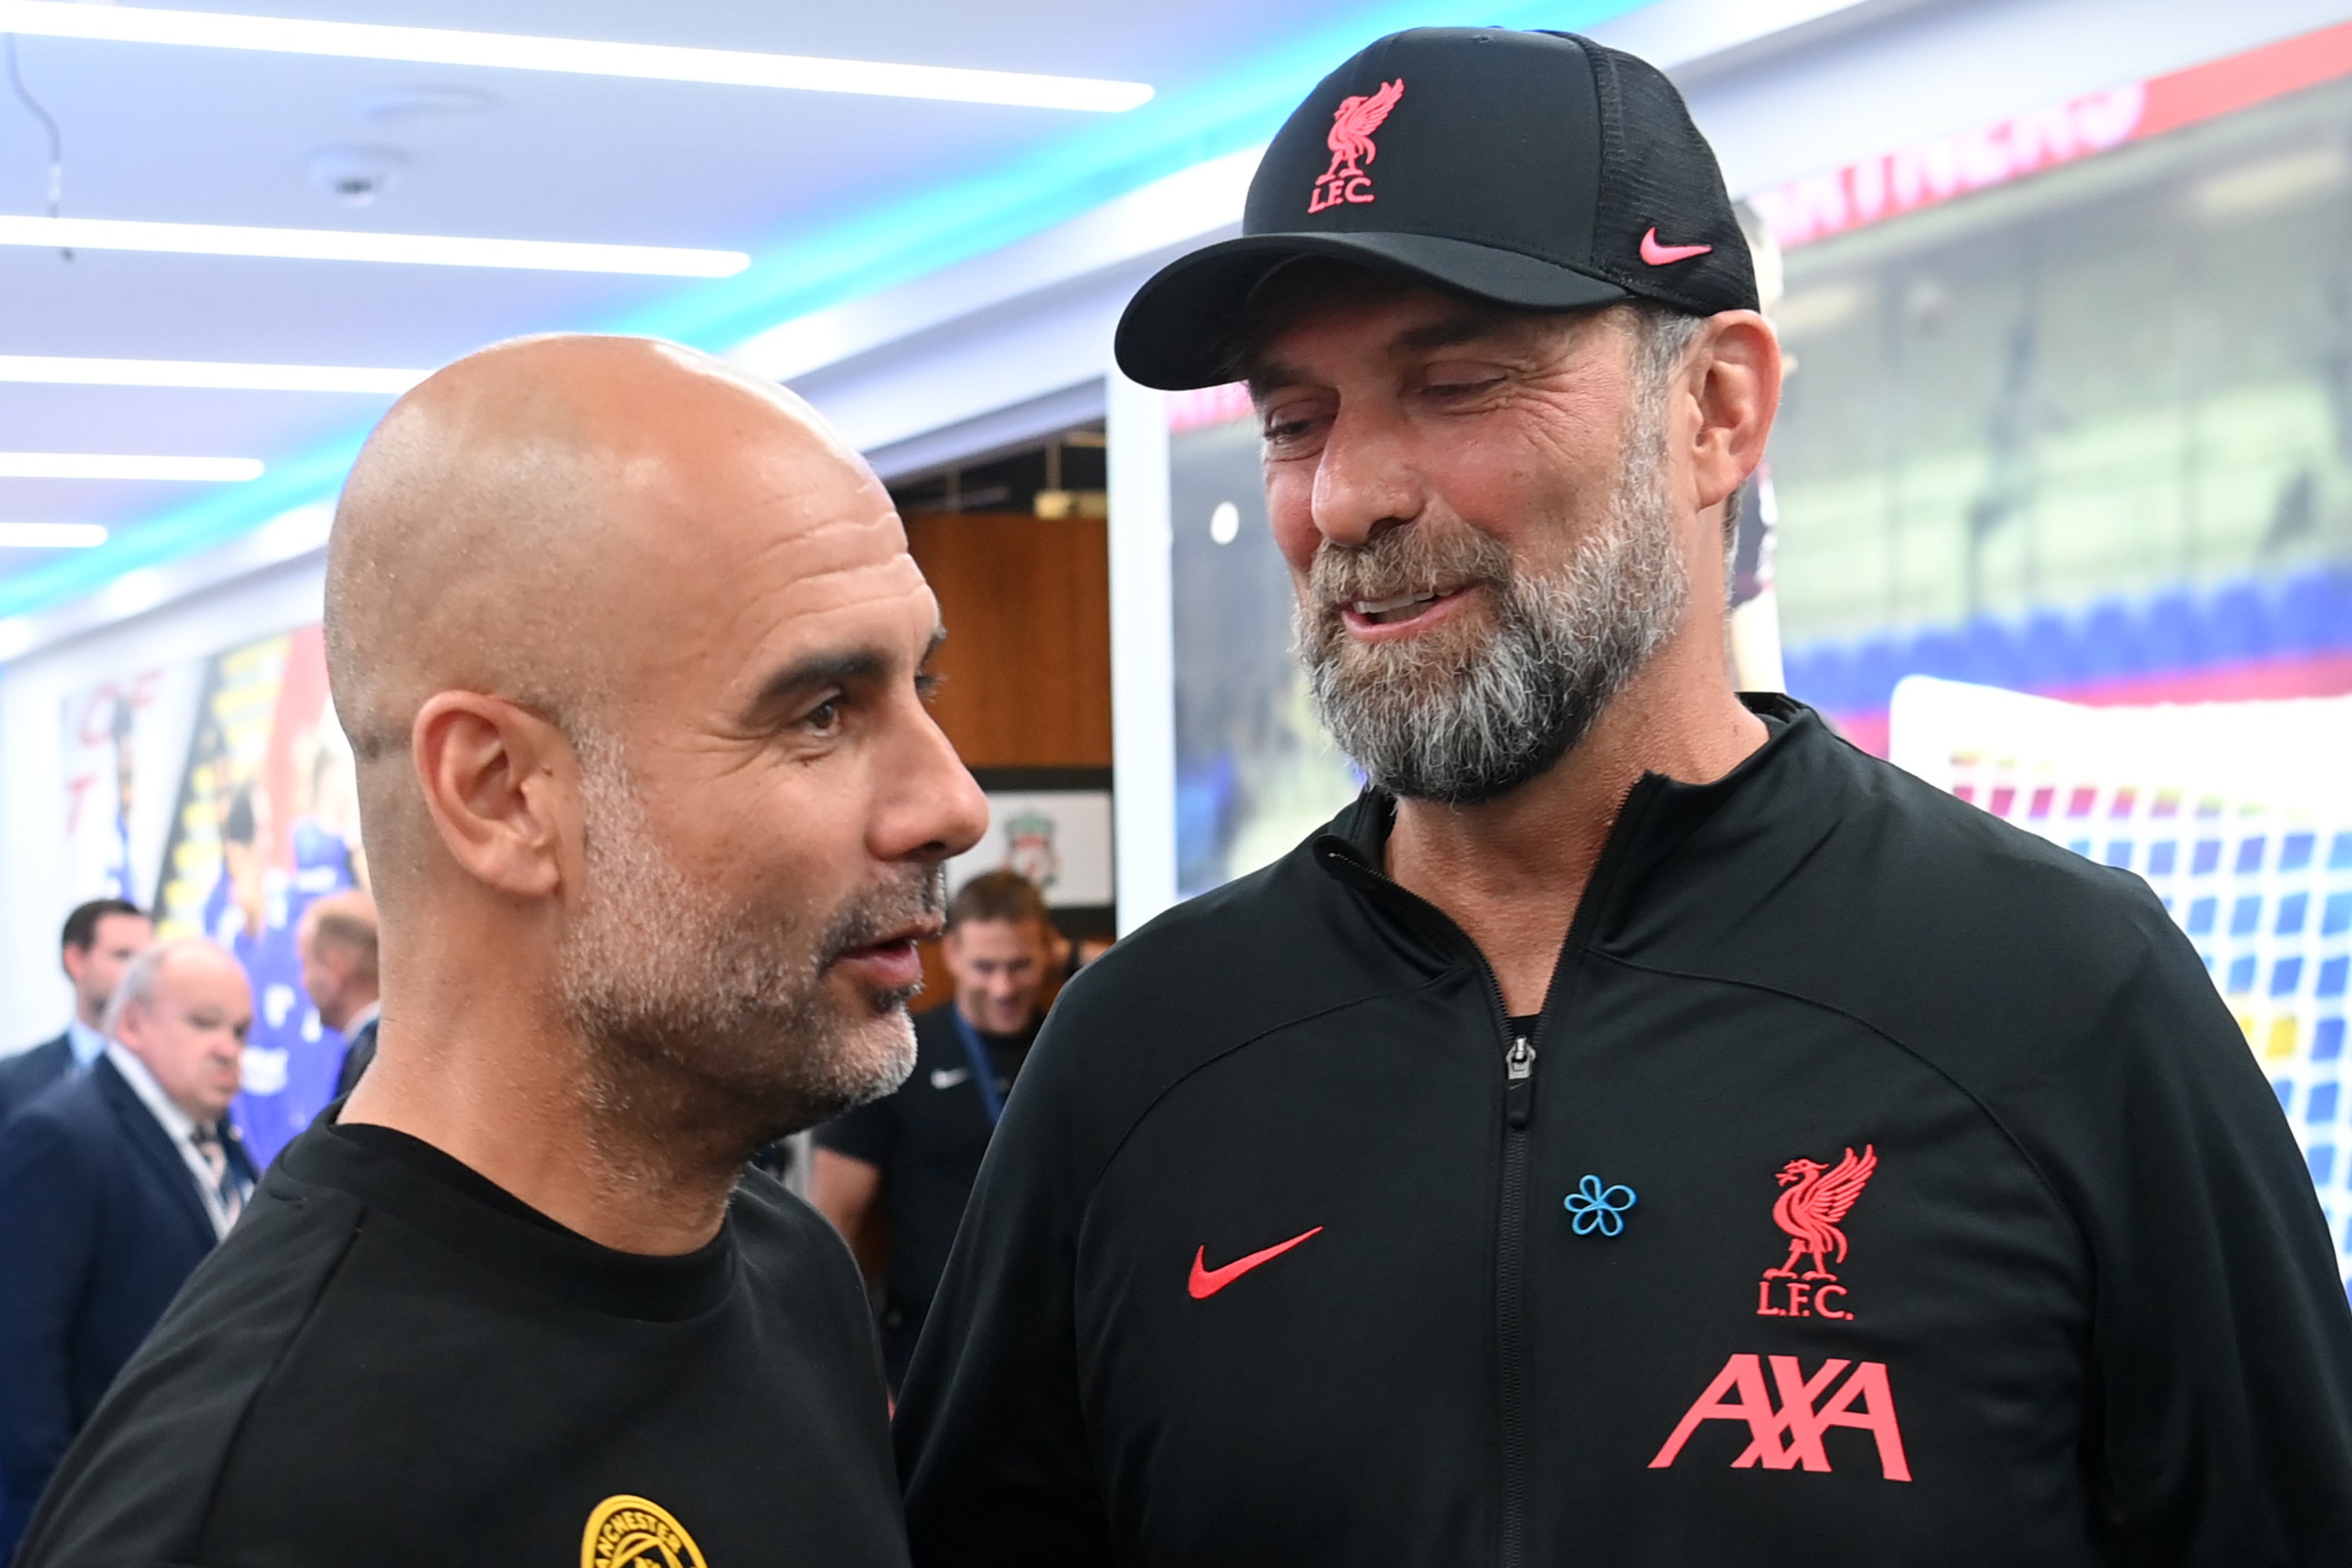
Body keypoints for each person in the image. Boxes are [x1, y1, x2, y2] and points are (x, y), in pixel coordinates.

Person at [895, 27, 2352, 1566]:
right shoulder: (1144, 1058)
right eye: (1293, 419)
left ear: (1717, 409)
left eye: (1455, 381)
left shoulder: (2060, 997)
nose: (1347, 499)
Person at [13, 334, 988, 1568]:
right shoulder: (255, 1502)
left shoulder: (792, 1278)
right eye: (820, 712)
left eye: (924, 686)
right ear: (501, 795)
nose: (952, 802)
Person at [0, 938, 255, 1555]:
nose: (229, 1048)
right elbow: (20, 1358)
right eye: (204, 1023)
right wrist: (48, 1532)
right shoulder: (61, 1136)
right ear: (135, 1023)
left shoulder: (221, 1141)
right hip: (97, 1522)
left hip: (190, 1508)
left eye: (241, 1031)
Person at [813, 870, 1058, 1390]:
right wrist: (860, 1385)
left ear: (1049, 952)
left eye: (1020, 965)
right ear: (951, 956)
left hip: (1056, 1353)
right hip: (930, 1357)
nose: (1004, 987)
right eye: (985, 967)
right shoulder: (900, 1055)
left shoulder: (1073, 1049)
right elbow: (834, 1224)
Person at [0, 899, 154, 1124]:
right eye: (123, 955)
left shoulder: (175, 1075)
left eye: (149, 960)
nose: (139, 974)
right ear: (76, 960)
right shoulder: (13, 1081)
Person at [297, 889, 383, 1096]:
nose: (303, 982)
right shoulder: (384, 1048)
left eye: (306, 964)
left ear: (335, 964)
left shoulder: (375, 1062)